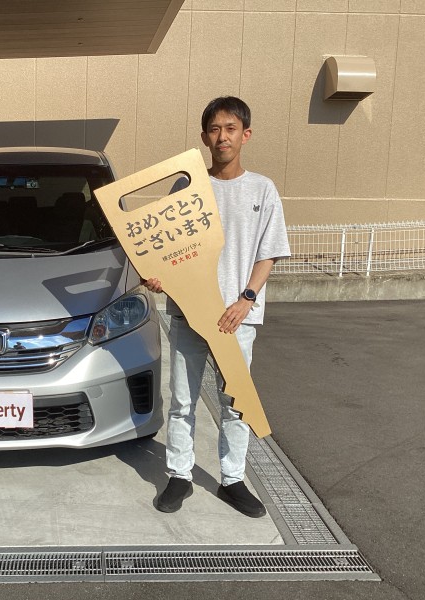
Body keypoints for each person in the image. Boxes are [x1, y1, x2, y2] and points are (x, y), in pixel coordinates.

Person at [143, 96, 291, 517]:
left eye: (230, 129)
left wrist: (247, 299)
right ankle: (179, 475)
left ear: (245, 135)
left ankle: (232, 480)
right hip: (189, 313)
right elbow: (167, 250)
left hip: (236, 317)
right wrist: (158, 278)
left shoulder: (262, 189)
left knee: (235, 402)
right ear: (204, 137)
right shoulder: (186, 188)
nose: (222, 137)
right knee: (182, 401)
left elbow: (268, 252)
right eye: (214, 129)